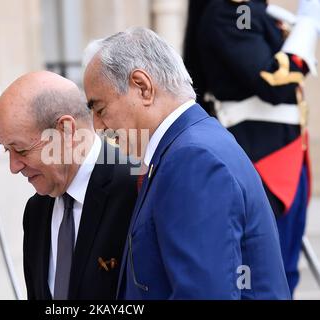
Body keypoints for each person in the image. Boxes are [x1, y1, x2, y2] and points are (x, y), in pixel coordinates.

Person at [83, 26, 291, 299]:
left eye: (100, 109)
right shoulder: (186, 147)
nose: (97, 126)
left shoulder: (192, 159)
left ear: (142, 87)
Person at [183, 0, 320, 295]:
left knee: (285, 270)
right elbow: (274, 80)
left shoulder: (254, 10)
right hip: (259, 159)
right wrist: (307, 28)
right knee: (262, 278)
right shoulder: (229, 11)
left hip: (285, 155)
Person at [0, 71, 138, 300]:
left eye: (20, 150)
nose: (13, 166)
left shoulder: (136, 188)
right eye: (6, 150)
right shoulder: (36, 211)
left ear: (65, 130)